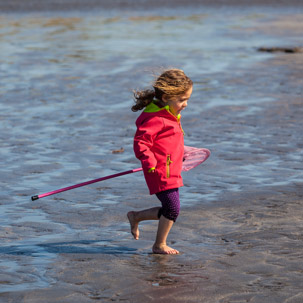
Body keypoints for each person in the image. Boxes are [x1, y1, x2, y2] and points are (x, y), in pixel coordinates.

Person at [127, 69, 193, 255]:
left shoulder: (169, 114)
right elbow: (141, 142)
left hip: (172, 167)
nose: (185, 104)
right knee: (173, 208)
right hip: (159, 170)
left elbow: (169, 142)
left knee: (169, 209)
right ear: (165, 97)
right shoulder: (156, 118)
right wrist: (150, 161)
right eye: (181, 99)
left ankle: (136, 216)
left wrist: (184, 152)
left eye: (187, 99)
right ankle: (159, 245)